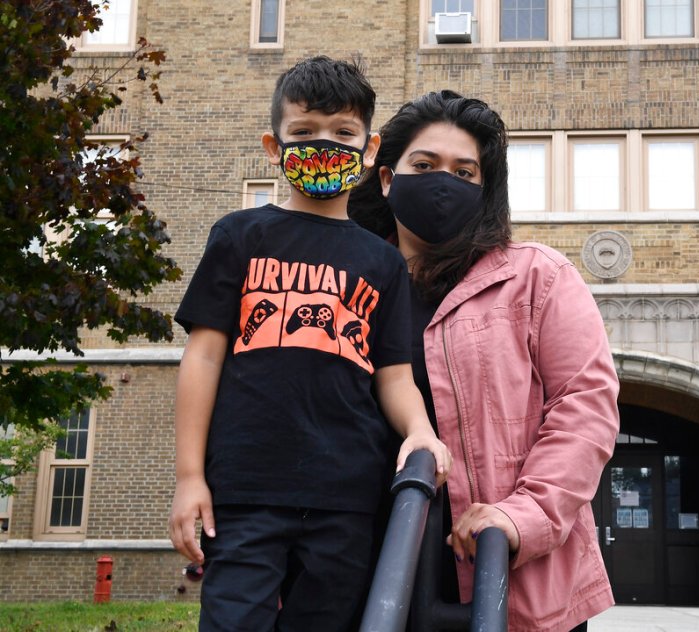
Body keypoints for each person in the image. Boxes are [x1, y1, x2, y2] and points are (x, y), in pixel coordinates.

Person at [167, 56, 451, 632]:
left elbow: (393, 376)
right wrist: (188, 476)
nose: (324, 144)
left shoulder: (382, 263)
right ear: (274, 147)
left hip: (347, 495)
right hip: (245, 489)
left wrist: (421, 431)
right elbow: (203, 355)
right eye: (304, 132)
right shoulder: (239, 234)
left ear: (369, 151)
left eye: (343, 133)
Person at [350, 90, 621, 632]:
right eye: (424, 166)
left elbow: (584, 408)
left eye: (464, 172)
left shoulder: (538, 278)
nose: (442, 182)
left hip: (510, 575)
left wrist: (522, 517)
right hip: (359, 565)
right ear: (386, 178)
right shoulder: (345, 283)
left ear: (485, 188)